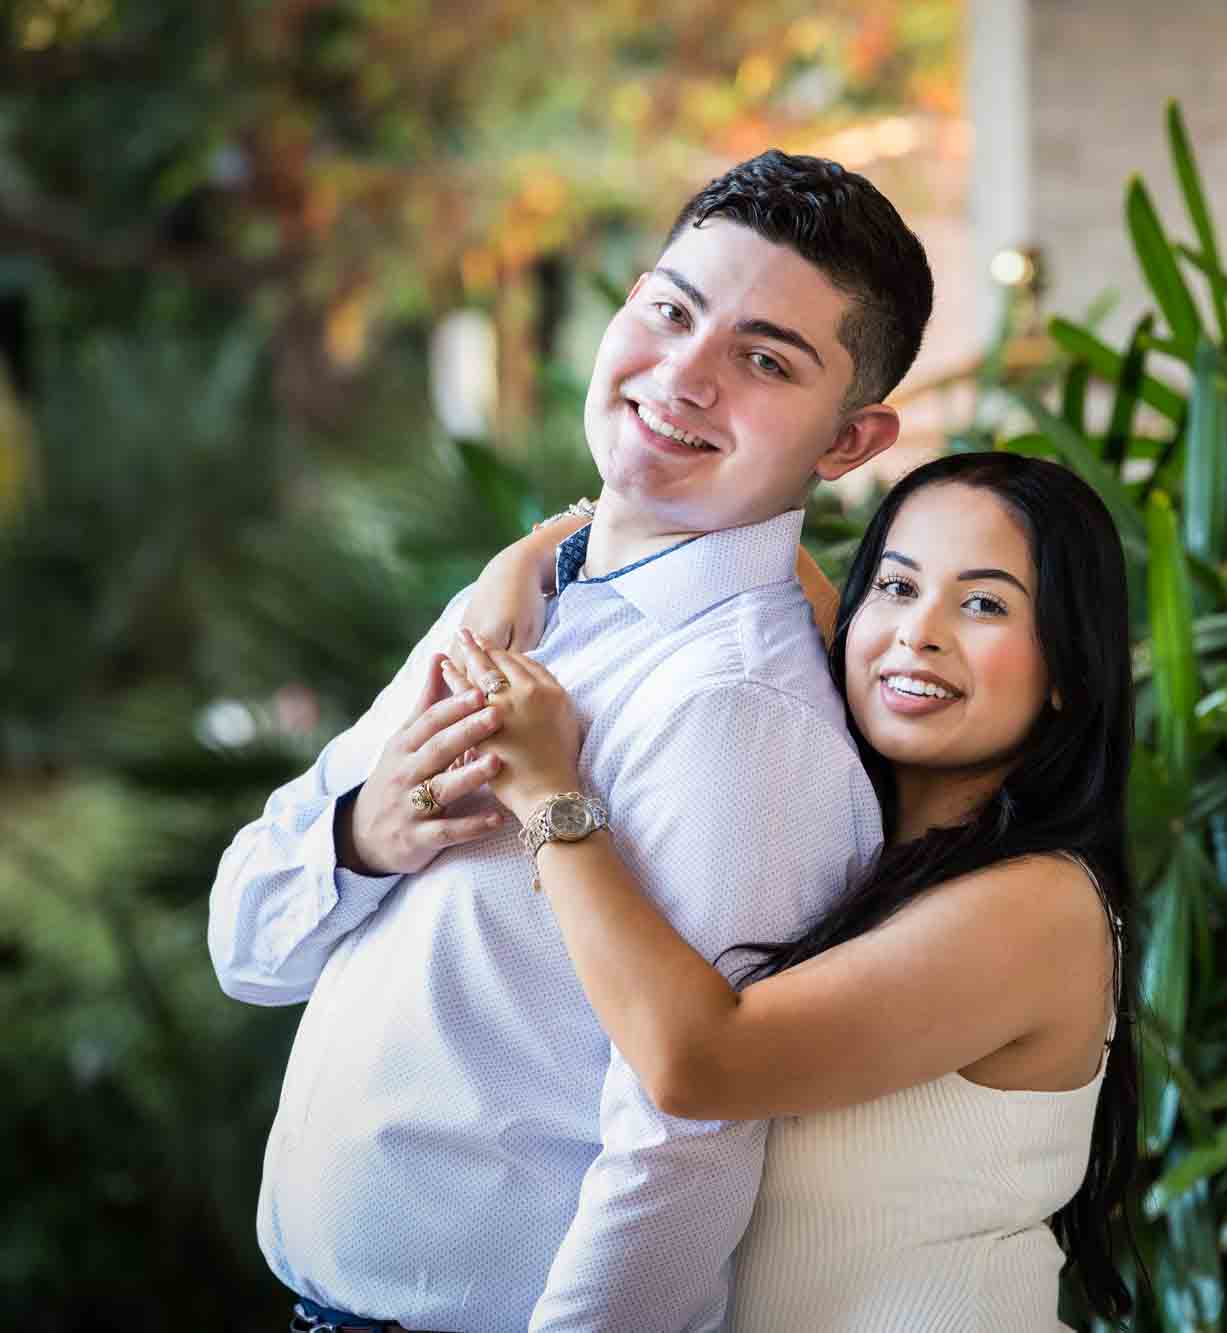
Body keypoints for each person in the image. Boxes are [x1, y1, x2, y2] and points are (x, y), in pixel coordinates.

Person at [207, 149, 929, 1332]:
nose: (682, 375)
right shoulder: (523, 600)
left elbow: (685, 1141)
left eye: (762, 359)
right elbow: (248, 945)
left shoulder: (737, 713)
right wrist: (358, 838)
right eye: (670, 310)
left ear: (848, 443)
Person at [450, 451, 1138, 1330]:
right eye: (895, 585)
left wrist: (549, 796)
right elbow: (736, 528)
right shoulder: (866, 794)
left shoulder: (1040, 906)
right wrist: (542, 553)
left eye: (985, 603)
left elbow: (699, 1063)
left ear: (1068, 674)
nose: (918, 632)